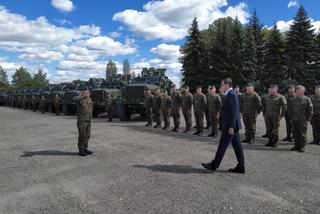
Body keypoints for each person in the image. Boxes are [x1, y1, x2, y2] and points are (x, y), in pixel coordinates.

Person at [202, 78, 245, 174]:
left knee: (222, 146)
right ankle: (241, 167)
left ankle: (214, 165)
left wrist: (231, 126)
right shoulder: (230, 94)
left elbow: (234, 112)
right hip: (232, 125)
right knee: (237, 147)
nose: (220, 86)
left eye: (222, 85)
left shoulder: (231, 94)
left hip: (230, 126)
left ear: (227, 85)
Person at [288, 85, 313, 152]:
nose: (299, 91)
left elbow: (310, 111)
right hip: (294, 119)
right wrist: (290, 118)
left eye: (301, 90)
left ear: (303, 91)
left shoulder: (307, 99)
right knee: (295, 133)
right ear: (296, 91)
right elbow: (290, 110)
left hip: (303, 120)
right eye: (298, 90)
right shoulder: (292, 99)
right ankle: (296, 145)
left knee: (302, 134)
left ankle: (302, 147)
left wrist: (308, 119)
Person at [73, 88, 93, 156]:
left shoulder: (89, 99)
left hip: (88, 120)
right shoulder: (80, 99)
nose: (88, 93)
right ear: (83, 92)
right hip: (82, 120)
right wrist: (83, 95)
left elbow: (91, 108)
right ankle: (81, 150)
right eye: (86, 92)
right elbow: (74, 99)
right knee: (82, 135)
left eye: (88, 92)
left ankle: (85, 148)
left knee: (87, 135)